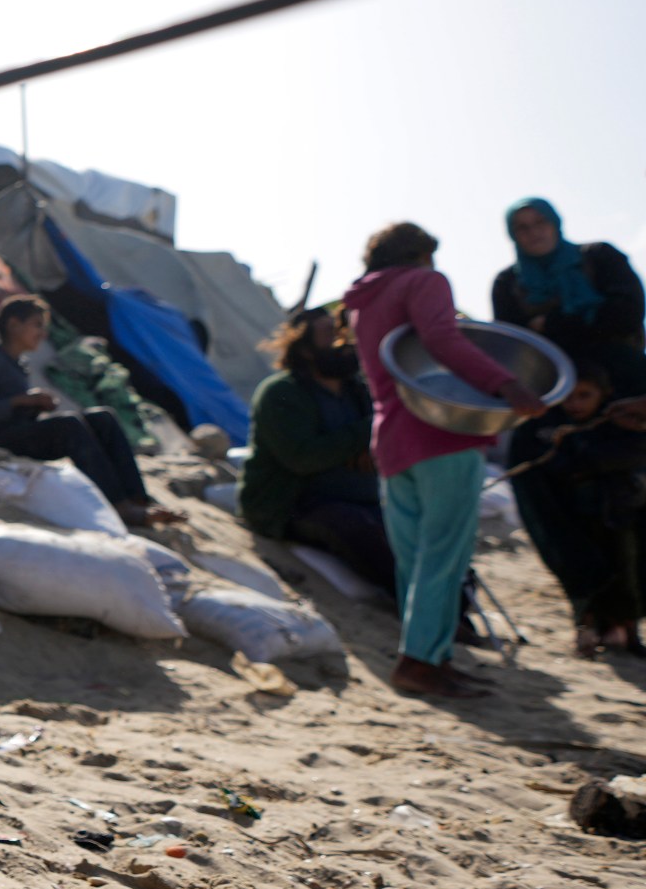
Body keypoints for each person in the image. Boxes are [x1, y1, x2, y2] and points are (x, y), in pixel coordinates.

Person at [344, 222, 545, 699]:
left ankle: (428, 656)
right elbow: (444, 340)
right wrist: (506, 385)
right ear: (422, 253)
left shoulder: (362, 301)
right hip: (441, 435)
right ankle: (421, 662)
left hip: (391, 437)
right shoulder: (424, 281)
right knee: (444, 557)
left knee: (414, 561)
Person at [0, 295, 180, 529]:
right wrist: (22, 400)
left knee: (102, 418)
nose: (43, 334)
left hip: (16, 432)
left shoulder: (18, 364)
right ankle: (119, 507)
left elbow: (12, 408)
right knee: (69, 425)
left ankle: (136, 498)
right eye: (37, 325)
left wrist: (34, 404)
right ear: (13, 324)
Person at [239, 307, 397, 588]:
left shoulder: (359, 392)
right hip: (293, 503)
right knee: (356, 530)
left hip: (361, 498)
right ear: (306, 350)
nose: (343, 343)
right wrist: (366, 431)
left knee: (414, 532)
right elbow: (303, 458)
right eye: (330, 335)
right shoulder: (282, 392)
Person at [506, 360, 646, 656]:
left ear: (604, 394)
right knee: (581, 572)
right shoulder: (544, 429)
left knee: (626, 572)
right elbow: (542, 468)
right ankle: (588, 631)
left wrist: (586, 461)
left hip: (617, 515)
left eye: (585, 395)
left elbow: (627, 454)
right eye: (569, 396)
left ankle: (626, 632)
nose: (575, 404)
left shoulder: (620, 425)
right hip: (571, 518)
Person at [492, 198, 646, 395]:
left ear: (555, 222)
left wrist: (551, 324)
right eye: (522, 227)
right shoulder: (507, 283)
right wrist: (590, 319)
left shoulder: (601, 256)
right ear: (512, 234)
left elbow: (627, 315)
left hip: (625, 383)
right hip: (552, 392)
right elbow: (511, 345)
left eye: (540, 222)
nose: (533, 232)